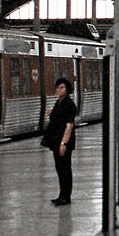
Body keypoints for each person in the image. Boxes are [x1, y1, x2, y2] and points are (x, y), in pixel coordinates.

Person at [45, 77, 77, 205]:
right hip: (56, 141)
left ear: (67, 89)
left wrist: (64, 143)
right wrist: (51, 113)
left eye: (62, 87)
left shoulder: (69, 104)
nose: (59, 90)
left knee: (65, 169)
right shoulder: (59, 102)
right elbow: (57, 118)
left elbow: (69, 125)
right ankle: (62, 195)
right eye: (58, 87)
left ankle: (66, 196)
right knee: (60, 169)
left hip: (63, 142)